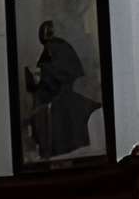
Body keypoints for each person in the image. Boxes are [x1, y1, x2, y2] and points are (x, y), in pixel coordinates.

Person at [25, 18, 95, 158]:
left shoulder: (58, 47)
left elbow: (59, 73)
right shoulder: (55, 49)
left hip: (66, 99)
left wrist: (42, 73)